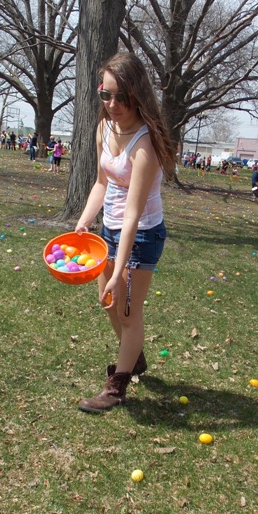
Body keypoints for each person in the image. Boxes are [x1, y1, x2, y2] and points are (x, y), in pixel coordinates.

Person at [74, 52, 175, 413]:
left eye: (121, 97)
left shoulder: (145, 146)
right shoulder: (105, 127)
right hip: (110, 230)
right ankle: (133, 358)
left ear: (137, 94)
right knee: (108, 302)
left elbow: (133, 214)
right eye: (105, 95)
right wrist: (84, 221)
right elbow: (101, 183)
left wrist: (119, 272)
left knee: (130, 314)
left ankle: (117, 386)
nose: (112, 104)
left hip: (142, 234)